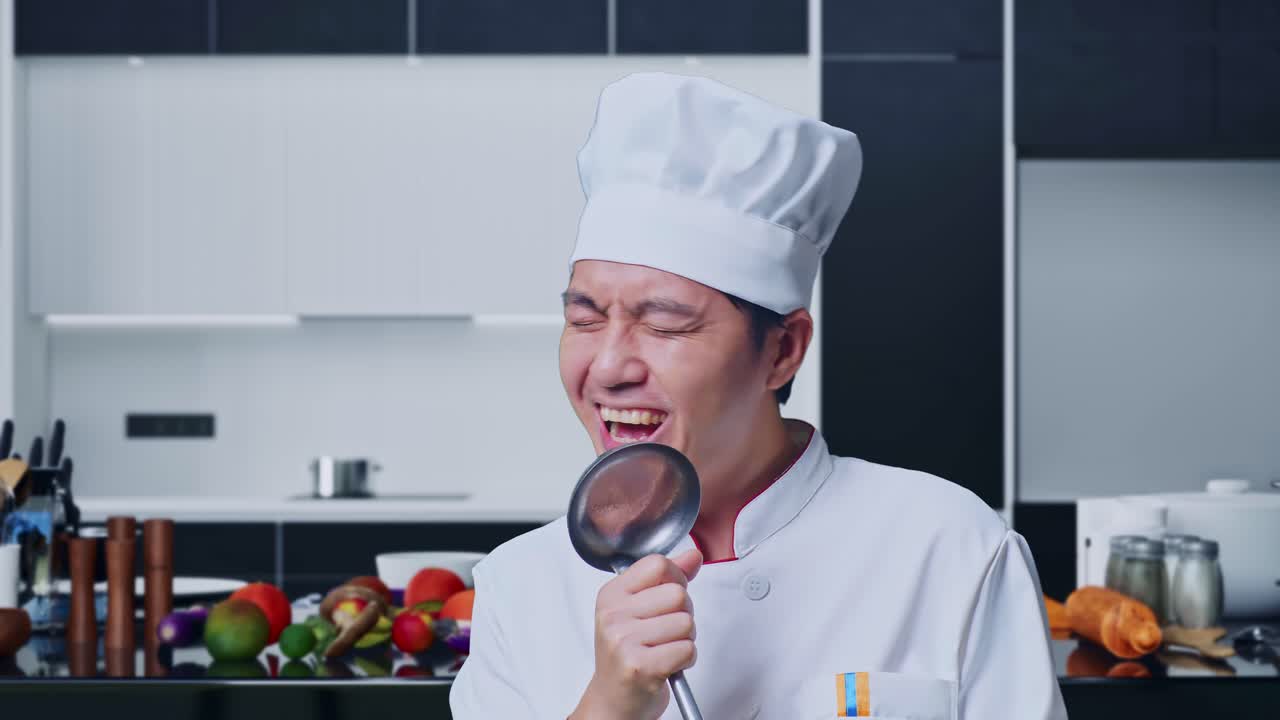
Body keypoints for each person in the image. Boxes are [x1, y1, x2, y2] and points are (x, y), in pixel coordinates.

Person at [450, 72, 1068, 720]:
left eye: (664, 325)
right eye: (584, 319)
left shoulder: (949, 546)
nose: (607, 367)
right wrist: (610, 706)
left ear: (782, 351)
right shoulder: (520, 588)